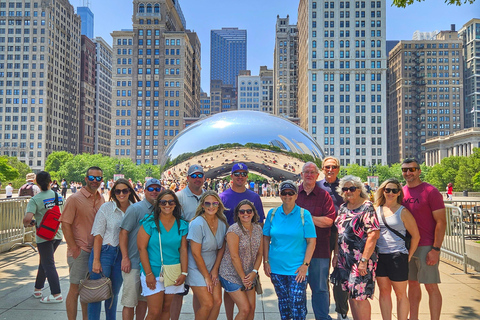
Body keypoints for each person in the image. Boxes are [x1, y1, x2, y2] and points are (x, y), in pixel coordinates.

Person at [263, 180, 316, 320]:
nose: (287, 196)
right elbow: (266, 238)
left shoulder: (304, 215)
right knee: (284, 303)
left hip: (297, 268)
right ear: (280, 195)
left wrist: (305, 265)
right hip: (276, 267)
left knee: (297, 303)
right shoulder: (272, 214)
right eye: (284, 193)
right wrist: (266, 261)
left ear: (296, 195)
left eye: (291, 193)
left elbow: (311, 241)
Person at [88, 178, 140, 320]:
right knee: (97, 294)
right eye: (118, 191)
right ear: (113, 192)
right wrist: (96, 260)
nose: (121, 194)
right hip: (105, 252)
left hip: (122, 256)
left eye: (125, 190)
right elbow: (98, 235)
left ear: (130, 191)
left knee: (113, 294)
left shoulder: (135, 209)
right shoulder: (106, 208)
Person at [401, 158, 446, 320]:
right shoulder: (401, 192)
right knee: (412, 285)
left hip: (427, 245)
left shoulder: (431, 191)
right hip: (407, 246)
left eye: (412, 169)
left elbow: (441, 222)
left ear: (419, 171)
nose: (408, 173)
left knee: (431, 286)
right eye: (405, 170)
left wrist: (436, 249)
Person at [219, 163, 265, 320]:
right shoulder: (223, 197)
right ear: (231, 176)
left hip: (248, 253)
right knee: (231, 294)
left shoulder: (254, 197)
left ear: (247, 176)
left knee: (249, 307)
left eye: (243, 173)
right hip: (229, 249)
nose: (240, 176)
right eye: (236, 173)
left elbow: (259, 224)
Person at [332, 175, 380, 320]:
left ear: (359, 190)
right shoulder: (343, 207)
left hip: (361, 260)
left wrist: (364, 260)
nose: (348, 191)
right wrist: (336, 255)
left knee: (360, 296)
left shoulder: (367, 207)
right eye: (345, 189)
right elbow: (339, 233)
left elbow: (373, 235)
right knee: (352, 296)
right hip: (344, 260)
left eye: (352, 188)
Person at [60, 166, 105, 320]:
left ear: (101, 180)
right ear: (86, 179)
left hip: (96, 253)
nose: (94, 181)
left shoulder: (101, 199)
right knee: (75, 290)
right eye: (91, 178)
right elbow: (65, 224)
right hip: (81, 251)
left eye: (98, 178)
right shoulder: (74, 199)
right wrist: (73, 248)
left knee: (87, 292)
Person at [137, 190, 189, 320]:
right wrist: (148, 274)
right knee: (154, 312)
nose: (167, 204)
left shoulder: (181, 224)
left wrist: (184, 273)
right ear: (158, 204)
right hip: (153, 272)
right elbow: (141, 248)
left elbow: (183, 250)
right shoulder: (149, 223)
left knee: (166, 310)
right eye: (163, 202)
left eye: (171, 202)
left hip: (173, 271)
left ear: (175, 204)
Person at [374, 178, 420, 320]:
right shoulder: (376, 210)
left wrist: (409, 255)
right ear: (383, 191)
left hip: (398, 255)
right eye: (388, 190)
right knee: (384, 292)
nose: (391, 193)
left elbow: (416, 236)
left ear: (399, 193)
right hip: (380, 256)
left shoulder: (403, 212)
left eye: (394, 190)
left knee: (400, 294)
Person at [296, 162, 336, 320]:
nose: (309, 175)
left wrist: (306, 218)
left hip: (319, 251)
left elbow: (328, 221)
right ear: (301, 175)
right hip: (297, 252)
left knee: (320, 288)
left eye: (312, 172)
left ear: (317, 176)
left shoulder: (324, 195)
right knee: (298, 289)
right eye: (306, 172)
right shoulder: (293, 194)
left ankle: (322, 317)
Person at [119, 178, 163, 320]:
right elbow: (123, 233)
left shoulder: (162, 210)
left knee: (144, 301)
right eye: (151, 189)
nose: (154, 192)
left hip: (150, 265)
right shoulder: (135, 209)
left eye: (157, 189)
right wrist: (125, 258)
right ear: (144, 191)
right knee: (129, 302)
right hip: (133, 263)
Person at [23, 171, 64, 303]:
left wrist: (29, 223)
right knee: (45, 262)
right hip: (57, 234)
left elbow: (27, 218)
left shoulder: (35, 199)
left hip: (44, 236)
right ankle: (38, 289)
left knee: (48, 264)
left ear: (36, 182)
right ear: (51, 182)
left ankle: (56, 294)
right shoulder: (59, 197)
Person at [186, 190, 228, 320]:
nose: (211, 207)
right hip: (196, 267)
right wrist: (207, 277)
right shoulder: (197, 223)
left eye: (214, 203)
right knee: (207, 303)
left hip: (212, 265)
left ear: (219, 205)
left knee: (217, 302)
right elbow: (195, 253)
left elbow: (222, 247)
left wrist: (215, 270)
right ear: (202, 205)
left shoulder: (222, 221)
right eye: (207, 203)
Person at [171, 165, 206, 320]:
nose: (197, 178)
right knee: (177, 291)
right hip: (182, 251)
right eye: (194, 176)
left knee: (200, 291)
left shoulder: (209, 196)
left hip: (203, 252)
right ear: (188, 178)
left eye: (200, 175)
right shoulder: (178, 197)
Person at [317, 156, 349, 320]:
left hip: (341, 235)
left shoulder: (345, 187)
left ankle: (342, 310)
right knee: (322, 274)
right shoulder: (317, 186)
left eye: (334, 167)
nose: (330, 170)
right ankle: (324, 310)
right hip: (320, 235)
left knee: (340, 274)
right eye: (327, 167)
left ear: (338, 168)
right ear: (322, 168)